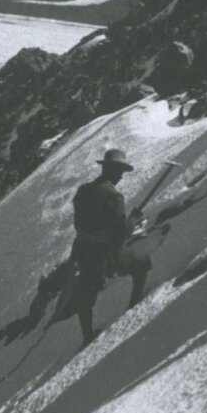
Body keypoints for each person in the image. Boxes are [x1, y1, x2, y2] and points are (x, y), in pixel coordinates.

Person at [68, 147, 153, 344]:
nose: (121, 176)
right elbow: (119, 234)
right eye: (120, 172)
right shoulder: (114, 196)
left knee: (86, 293)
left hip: (83, 250)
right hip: (106, 253)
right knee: (142, 262)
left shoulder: (83, 190)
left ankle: (87, 335)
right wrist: (133, 220)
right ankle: (135, 303)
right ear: (114, 171)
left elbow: (79, 224)